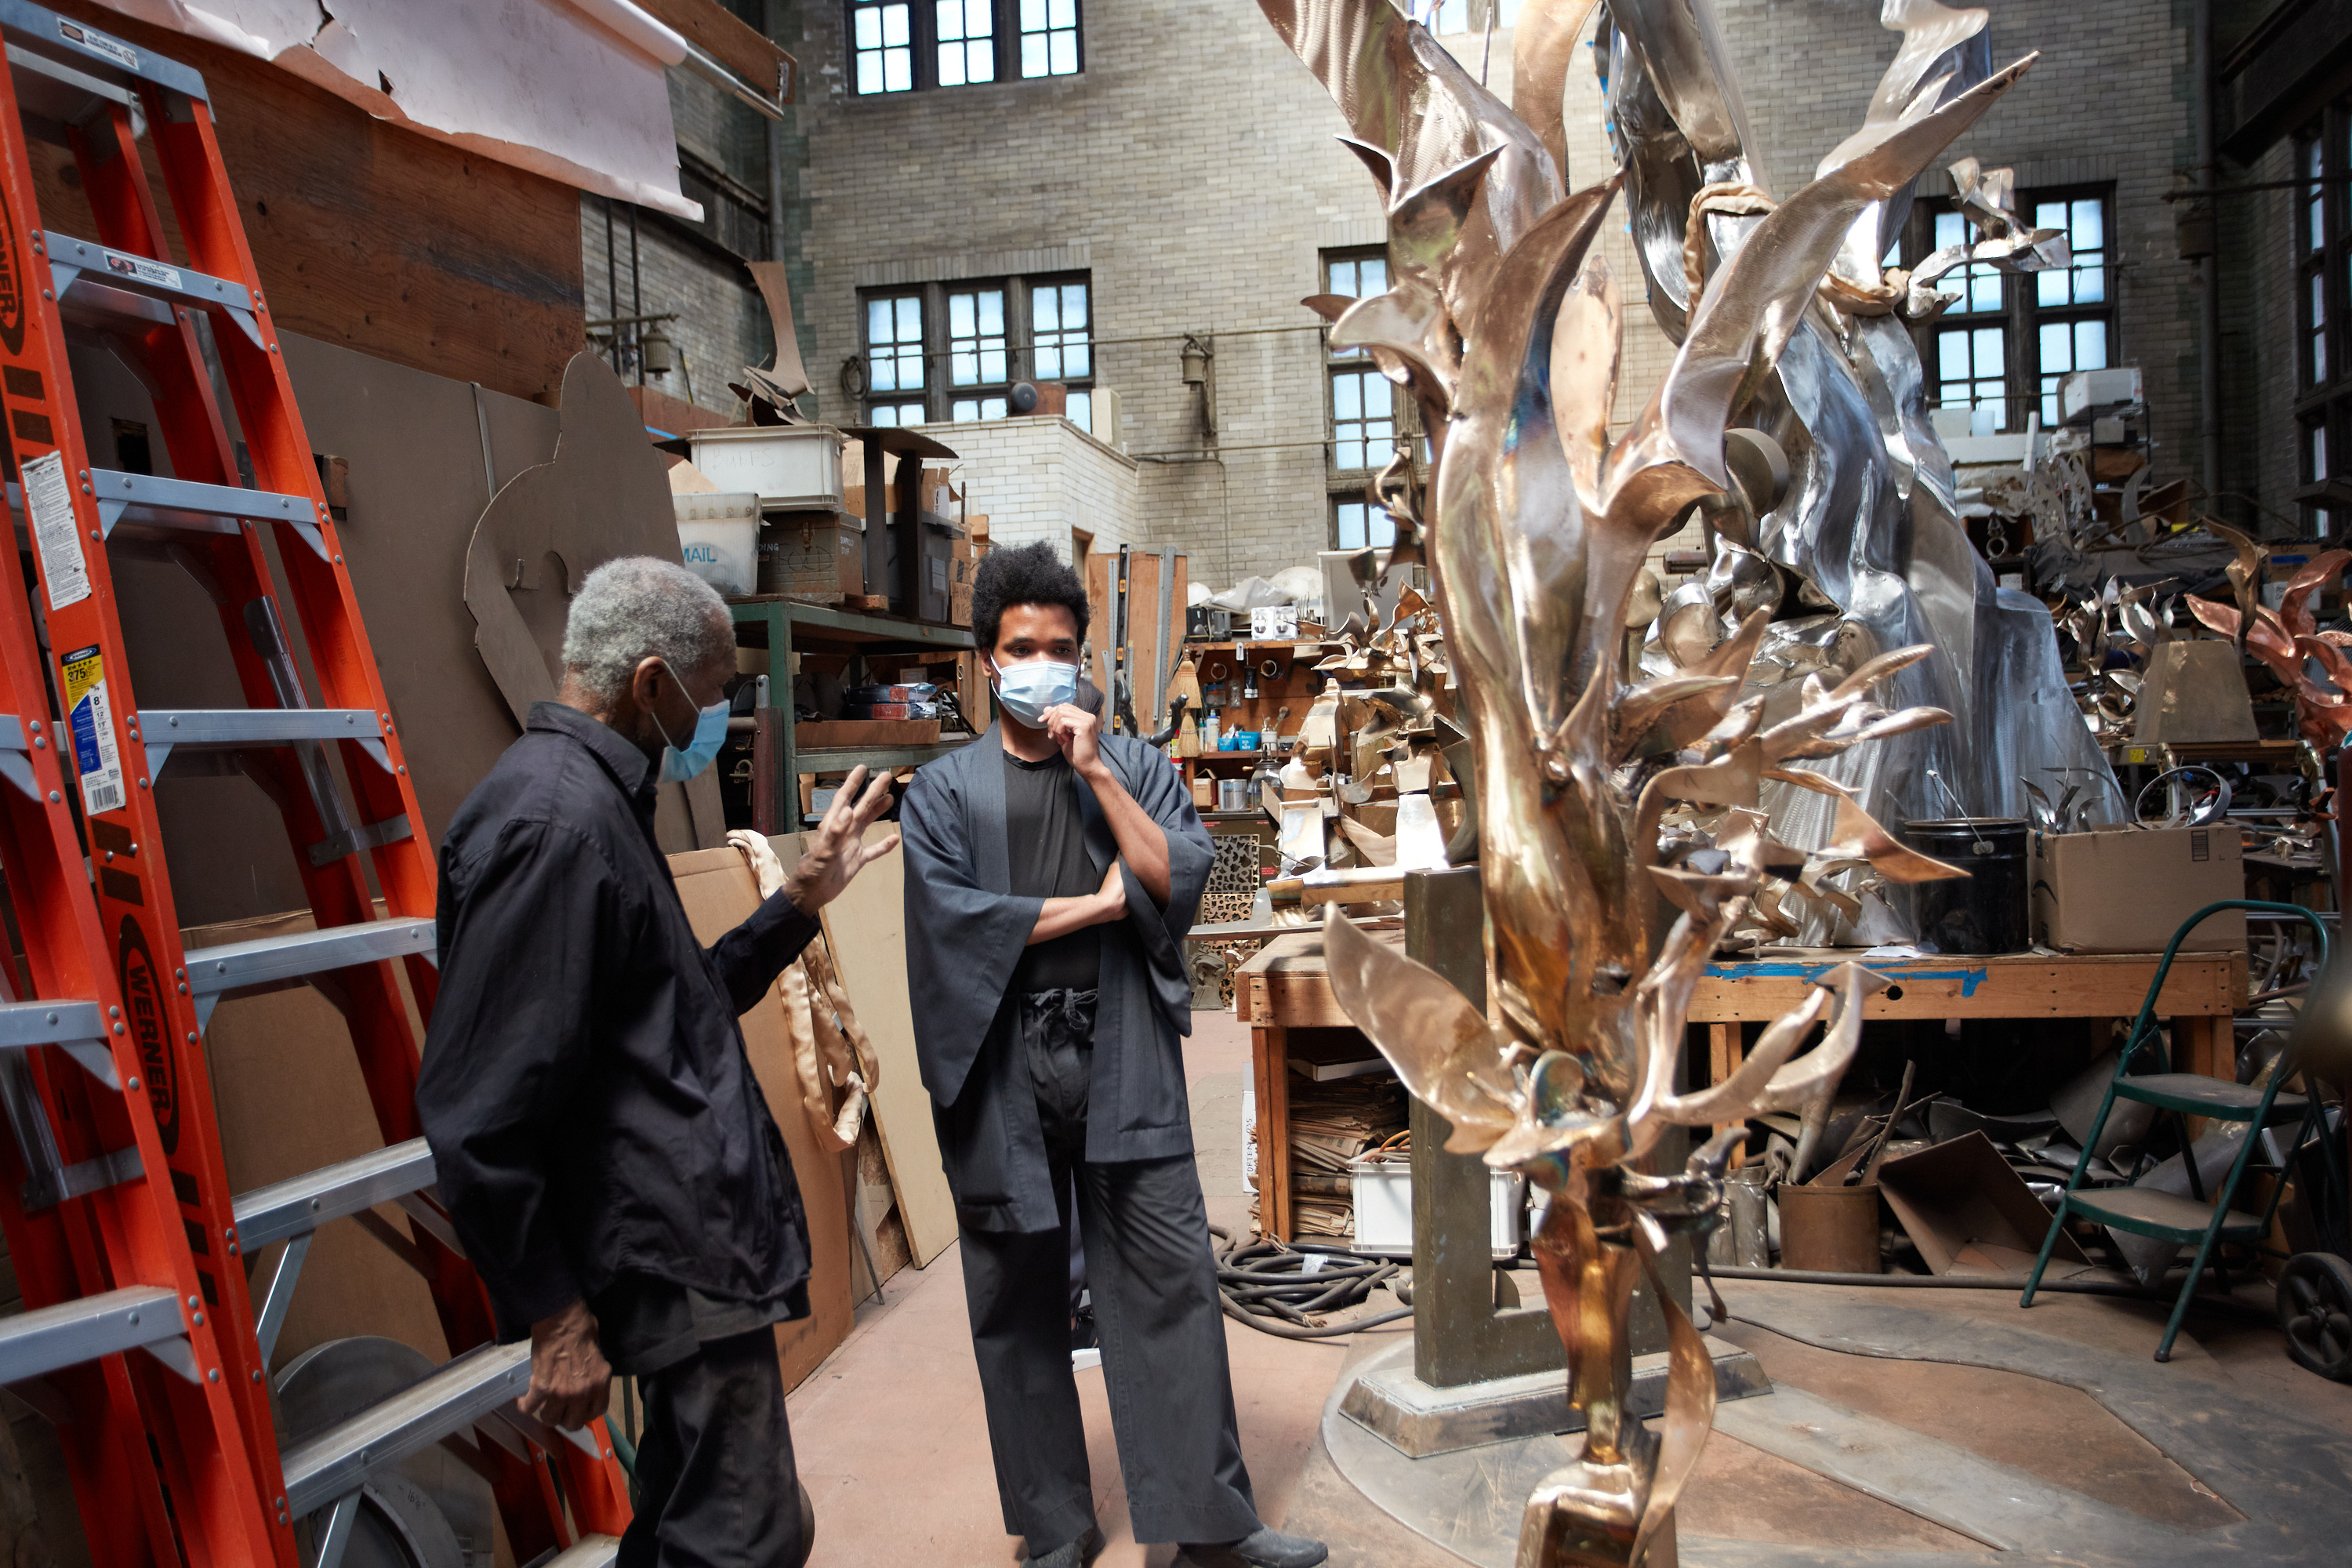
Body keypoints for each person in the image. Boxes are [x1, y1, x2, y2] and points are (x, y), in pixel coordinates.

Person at [416, 557, 897, 1567]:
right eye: (711, 694)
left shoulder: (595, 803)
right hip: (665, 1247)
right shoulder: (554, 826)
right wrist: (555, 1317)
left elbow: (674, 1011)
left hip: (690, 1238)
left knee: (697, 1522)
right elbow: (477, 1108)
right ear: (650, 683)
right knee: (746, 1537)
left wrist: (795, 903)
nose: (715, 716)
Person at [899, 542, 1327, 1568]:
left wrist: (1095, 768)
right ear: (986, 661)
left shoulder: (1130, 766)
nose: (1040, 666)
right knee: (1017, 1294)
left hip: (1120, 1043)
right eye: (1019, 649)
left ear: (1082, 657)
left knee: (1171, 1277)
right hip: (1002, 1061)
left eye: (1059, 648)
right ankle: (1053, 1527)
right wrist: (1097, 906)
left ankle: (1210, 1523)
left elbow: (1174, 877)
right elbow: (955, 922)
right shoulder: (945, 792)